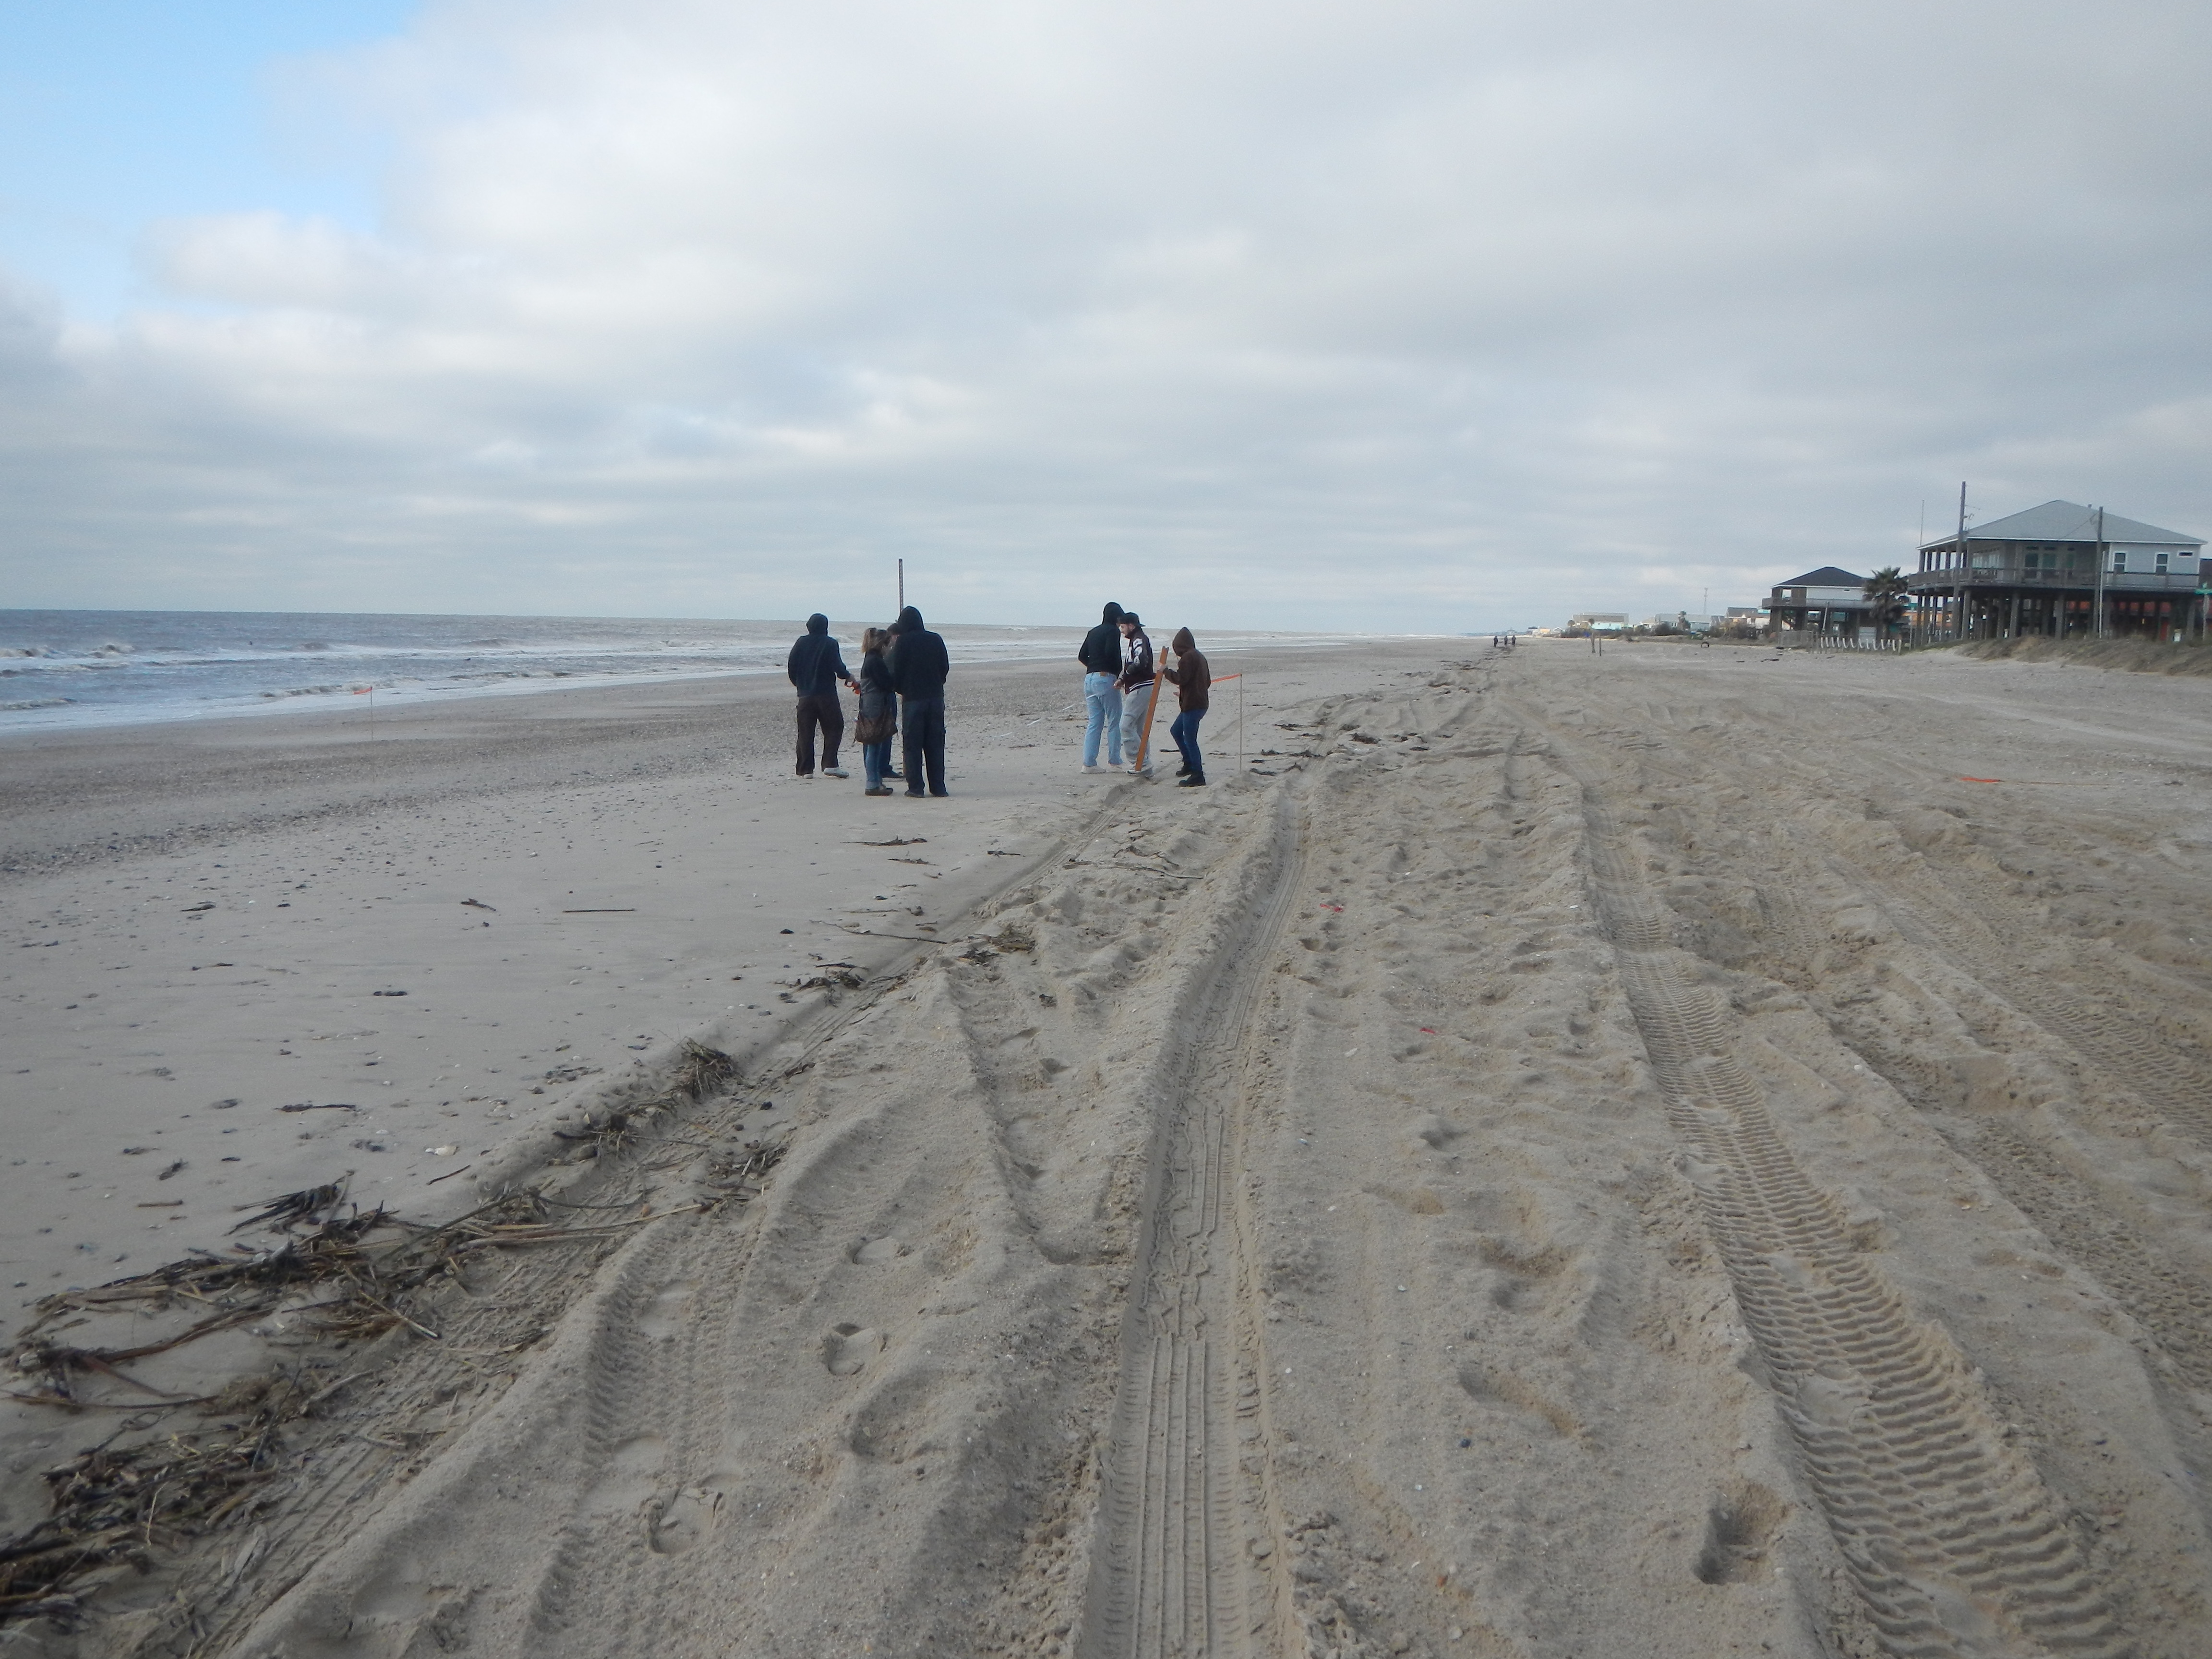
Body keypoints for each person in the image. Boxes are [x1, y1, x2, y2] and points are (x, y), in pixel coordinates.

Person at [887, 605, 950, 796]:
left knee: (913, 745)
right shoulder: (935, 639)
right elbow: (944, 667)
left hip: (913, 698)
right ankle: (938, 787)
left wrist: (901, 689)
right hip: (935, 697)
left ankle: (916, 787)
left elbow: (896, 671)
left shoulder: (904, 642)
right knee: (935, 744)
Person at [787, 613, 858, 778]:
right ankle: (830, 764)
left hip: (805, 695)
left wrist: (800, 685)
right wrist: (848, 676)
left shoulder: (801, 642)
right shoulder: (830, 643)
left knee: (806, 732)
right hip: (826, 694)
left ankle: (805, 770)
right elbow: (838, 666)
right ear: (825, 627)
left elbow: (792, 666)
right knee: (835, 727)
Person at [1160, 625, 1212, 787]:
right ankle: (1189, 763)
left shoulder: (1188, 658)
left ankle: (1198, 774)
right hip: (1198, 703)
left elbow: (1181, 678)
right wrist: (1184, 693)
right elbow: (1206, 682)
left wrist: (1165, 671)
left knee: (1190, 739)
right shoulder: (1199, 656)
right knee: (1176, 731)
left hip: (1193, 705)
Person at [1078, 601, 1125, 772]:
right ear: (1116, 617)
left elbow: (1082, 655)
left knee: (1095, 722)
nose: (1121, 623)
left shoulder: (1093, 632)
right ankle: (1115, 761)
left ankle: (1089, 763)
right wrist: (1117, 672)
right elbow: (1112, 653)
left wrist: (1093, 666)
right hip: (1105, 678)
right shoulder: (1113, 631)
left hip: (1089, 678)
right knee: (1115, 720)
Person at [854, 626, 898, 795]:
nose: (889, 648)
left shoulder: (869, 659)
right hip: (875, 706)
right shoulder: (875, 661)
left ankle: (876, 780)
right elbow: (886, 684)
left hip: (869, 705)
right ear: (881, 644)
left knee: (874, 744)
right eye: (887, 644)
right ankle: (872, 782)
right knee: (874, 744)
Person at [1116, 610, 1156, 775]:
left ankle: (1140, 762)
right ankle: (1144, 764)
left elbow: (1140, 661)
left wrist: (1126, 676)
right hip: (1142, 686)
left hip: (1141, 686)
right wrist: (1123, 680)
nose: (1121, 630)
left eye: (1123, 626)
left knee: (1126, 726)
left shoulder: (1138, 639)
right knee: (1140, 729)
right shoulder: (1137, 639)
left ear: (1131, 626)